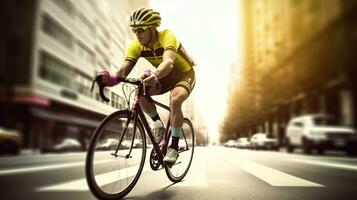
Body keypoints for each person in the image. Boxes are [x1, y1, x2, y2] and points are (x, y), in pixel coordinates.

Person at [98, 8, 196, 164]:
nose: (137, 34)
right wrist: (108, 80)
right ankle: (158, 125)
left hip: (184, 74)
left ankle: (174, 147)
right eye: (134, 30)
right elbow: (122, 72)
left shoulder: (167, 36)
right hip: (165, 76)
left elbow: (169, 63)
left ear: (152, 28)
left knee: (175, 100)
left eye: (141, 29)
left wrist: (155, 76)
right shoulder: (136, 46)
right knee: (141, 89)